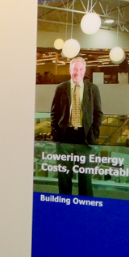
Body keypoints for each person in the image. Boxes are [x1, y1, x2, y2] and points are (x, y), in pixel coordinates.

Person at [50, 56, 102, 196]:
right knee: (64, 176)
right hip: (64, 138)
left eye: (80, 69)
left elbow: (98, 114)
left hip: (85, 139)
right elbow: (54, 112)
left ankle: (85, 206)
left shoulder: (93, 89)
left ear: (84, 71)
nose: (77, 72)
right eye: (74, 69)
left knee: (85, 178)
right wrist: (56, 133)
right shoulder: (61, 88)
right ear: (70, 70)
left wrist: (93, 134)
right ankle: (65, 204)